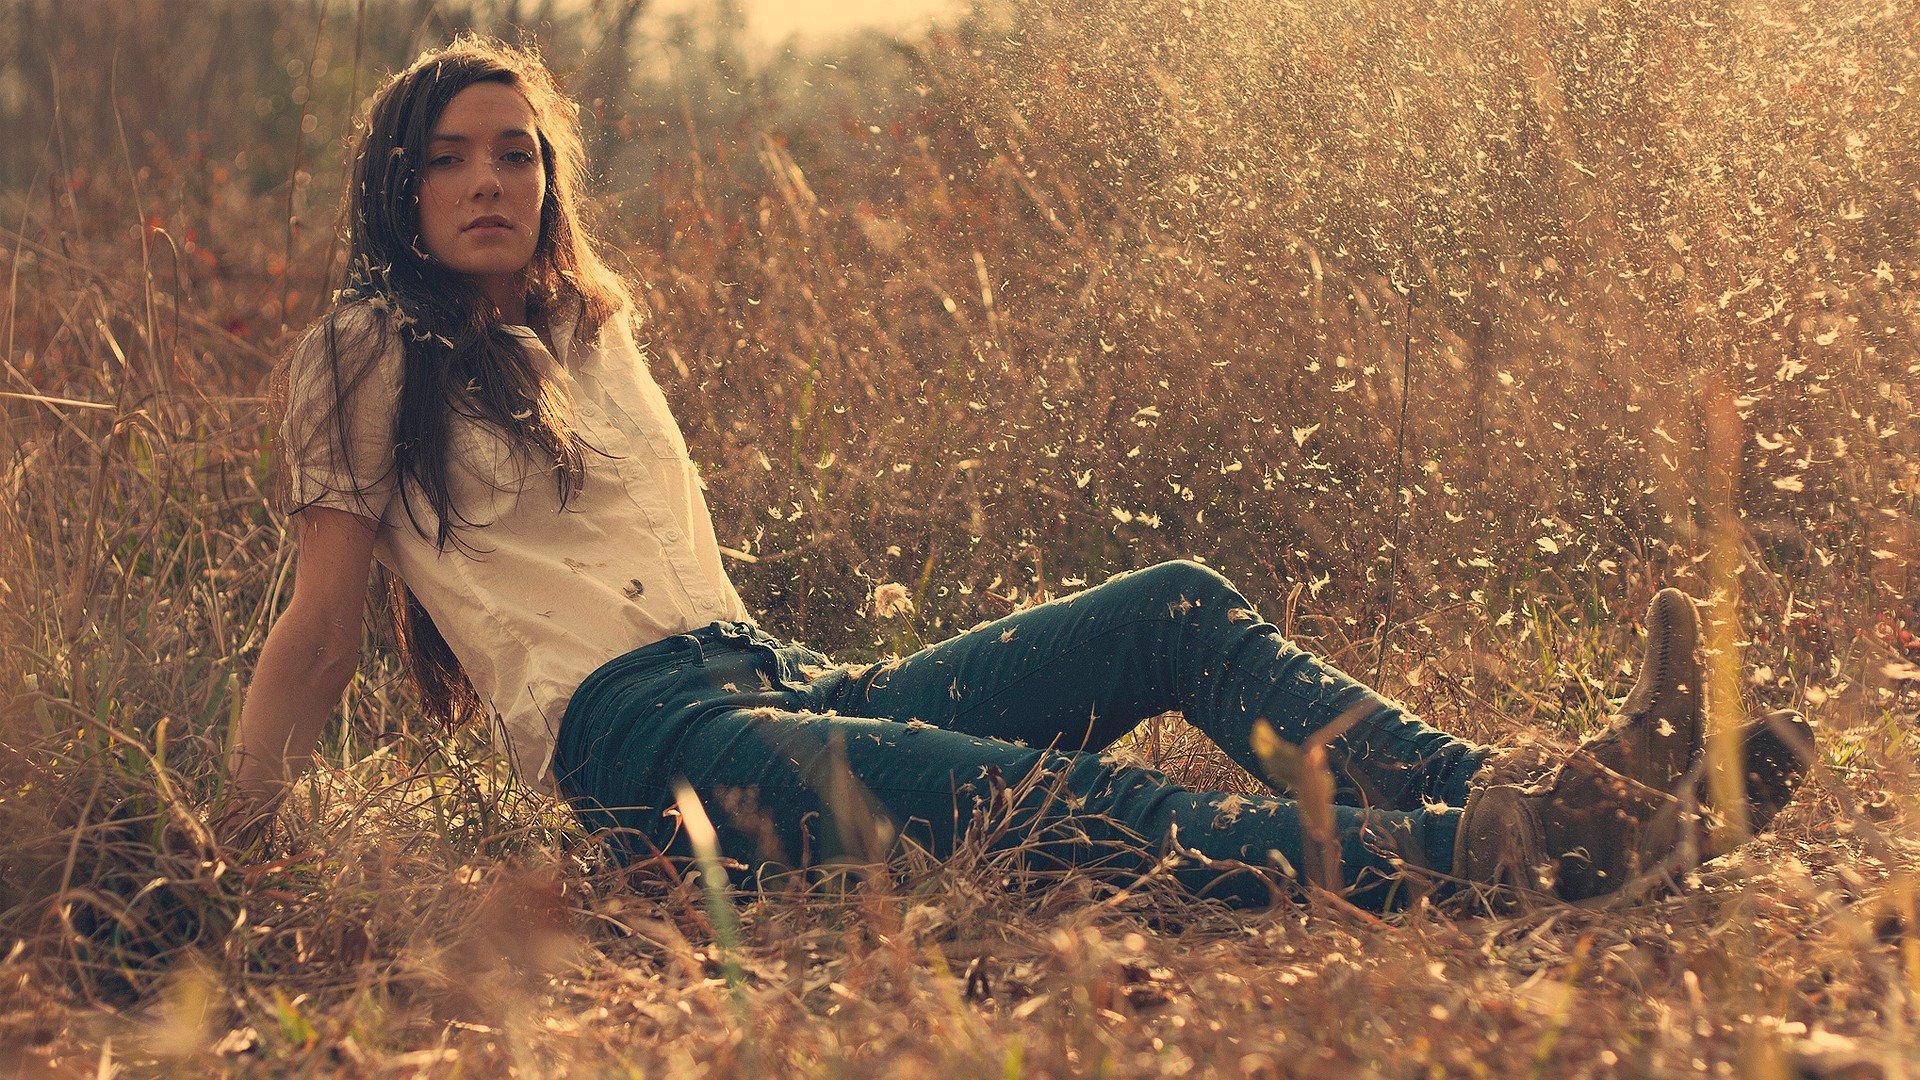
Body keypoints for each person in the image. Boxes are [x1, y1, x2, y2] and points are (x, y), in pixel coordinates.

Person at [228, 34, 1810, 913]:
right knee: (1057, 806)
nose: (489, 177)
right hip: (650, 754)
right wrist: (235, 841)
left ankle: (1559, 793)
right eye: (449, 154)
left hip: (768, 682)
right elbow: (321, 629)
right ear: (398, 187)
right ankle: (1513, 859)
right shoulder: (366, 353)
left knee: (1176, 607)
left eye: (516, 149)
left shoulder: (592, 328)